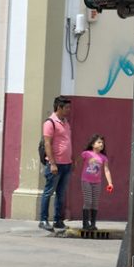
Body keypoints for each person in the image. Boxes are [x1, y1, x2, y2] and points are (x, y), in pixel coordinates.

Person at [39, 96, 73, 231]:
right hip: (55, 164)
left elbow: (66, 141)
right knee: (48, 192)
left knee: (61, 193)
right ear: (59, 107)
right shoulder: (50, 123)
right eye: (67, 108)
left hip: (66, 163)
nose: (69, 110)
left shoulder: (66, 122)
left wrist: (71, 157)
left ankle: (58, 220)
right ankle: (43, 220)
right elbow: (47, 143)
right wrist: (52, 163)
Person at [80, 134, 113, 231]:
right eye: (99, 142)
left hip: (97, 182)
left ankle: (93, 224)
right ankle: (85, 223)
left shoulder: (103, 157)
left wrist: (110, 183)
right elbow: (77, 161)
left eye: (102, 143)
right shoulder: (86, 154)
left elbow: (106, 170)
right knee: (88, 201)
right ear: (93, 144)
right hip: (86, 181)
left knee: (95, 203)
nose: (101, 144)